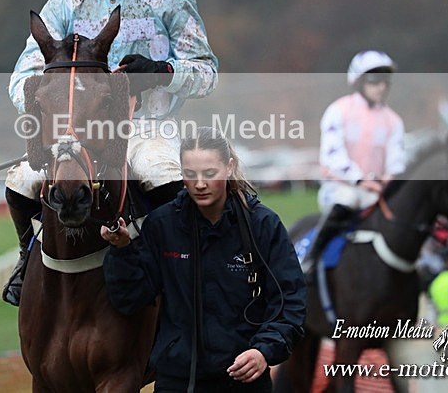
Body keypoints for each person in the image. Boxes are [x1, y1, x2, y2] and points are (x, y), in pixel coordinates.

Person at [1, 0, 218, 306]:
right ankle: (27, 259)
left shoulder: (171, 0)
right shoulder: (65, 4)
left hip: (148, 128)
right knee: (20, 183)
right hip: (79, 133)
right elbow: (22, 79)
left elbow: (207, 73)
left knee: (163, 176)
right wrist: (53, 102)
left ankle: (186, 277)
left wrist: (161, 73)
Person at [100, 127, 306, 393]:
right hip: (177, 381)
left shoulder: (263, 225)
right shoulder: (162, 225)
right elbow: (130, 299)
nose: (199, 184)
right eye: (190, 174)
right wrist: (122, 250)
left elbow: (290, 302)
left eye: (209, 173)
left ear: (229, 167)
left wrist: (263, 351)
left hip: (245, 383)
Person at [300, 50, 406, 273]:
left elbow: (396, 161)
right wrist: (360, 180)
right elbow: (333, 156)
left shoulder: (393, 121)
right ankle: (311, 259)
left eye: (385, 81)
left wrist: (387, 182)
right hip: (340, 188)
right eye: (375, 81)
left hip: (377, 191)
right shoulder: (338, 111)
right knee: (349, 198)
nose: (381, 87)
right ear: (359, 82)